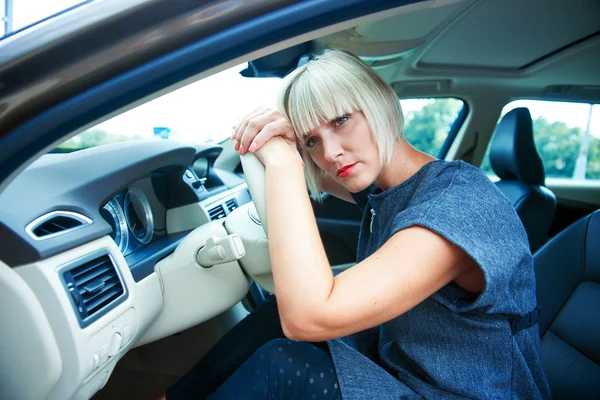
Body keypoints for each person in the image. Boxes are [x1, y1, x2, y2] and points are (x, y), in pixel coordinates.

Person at [165, 50, 551, 399]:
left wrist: (283, 162)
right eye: (312, 141)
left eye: (341, 120)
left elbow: (308, 317)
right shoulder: (391, 189)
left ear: (380, 103)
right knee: (272, 317)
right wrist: (281, 135)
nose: (330, 153)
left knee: (286, 364)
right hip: (411, 375)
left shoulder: (459, 206)